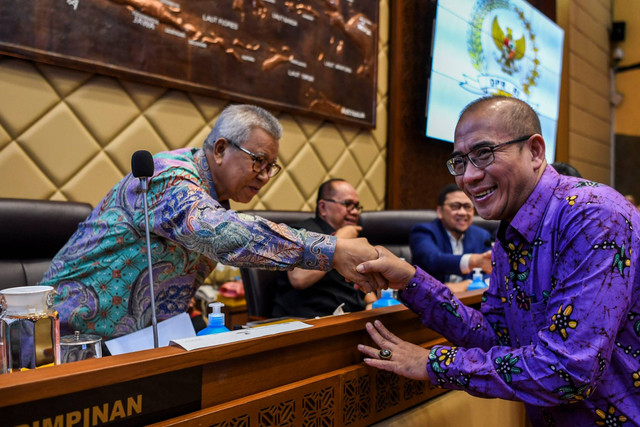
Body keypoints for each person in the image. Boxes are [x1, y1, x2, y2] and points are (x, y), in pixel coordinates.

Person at [355, 96, 640, 425]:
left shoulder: (592, 214)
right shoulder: (511, 234)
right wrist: (410, 281)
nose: (469, 177)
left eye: (484, 153)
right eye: (460, 161)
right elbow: (495, 339)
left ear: (534, 152)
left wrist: (433, 363)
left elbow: (567, 372)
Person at [40, 104, 379, 340]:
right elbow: (222, 234)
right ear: (219, 149)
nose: (264, 176)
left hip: (138, 346)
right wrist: (331, 248)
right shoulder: (166, 175)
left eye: (271, 166)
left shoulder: (215, 198)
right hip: (68, 341)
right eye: (258, 161)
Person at [271, 179, 377, 318]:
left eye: (357, 206)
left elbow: (368, 294)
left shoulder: (352, 240)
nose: (355, 212)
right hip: (309, 322)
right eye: (348, 204)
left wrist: (372, 306)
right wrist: (338, 241)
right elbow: (299, 279)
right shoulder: (300, 233)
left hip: (350, 320)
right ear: (322, 207)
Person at [409, 183, 492, 290]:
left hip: (471, 302)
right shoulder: (423, 232)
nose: (462, 212)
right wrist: (473, 261)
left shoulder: (481, 235)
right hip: (428, 301)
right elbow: (433, 260)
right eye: (455, 206)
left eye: (467, 207)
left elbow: (491, 271)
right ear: (440, 211)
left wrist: (466, 284)